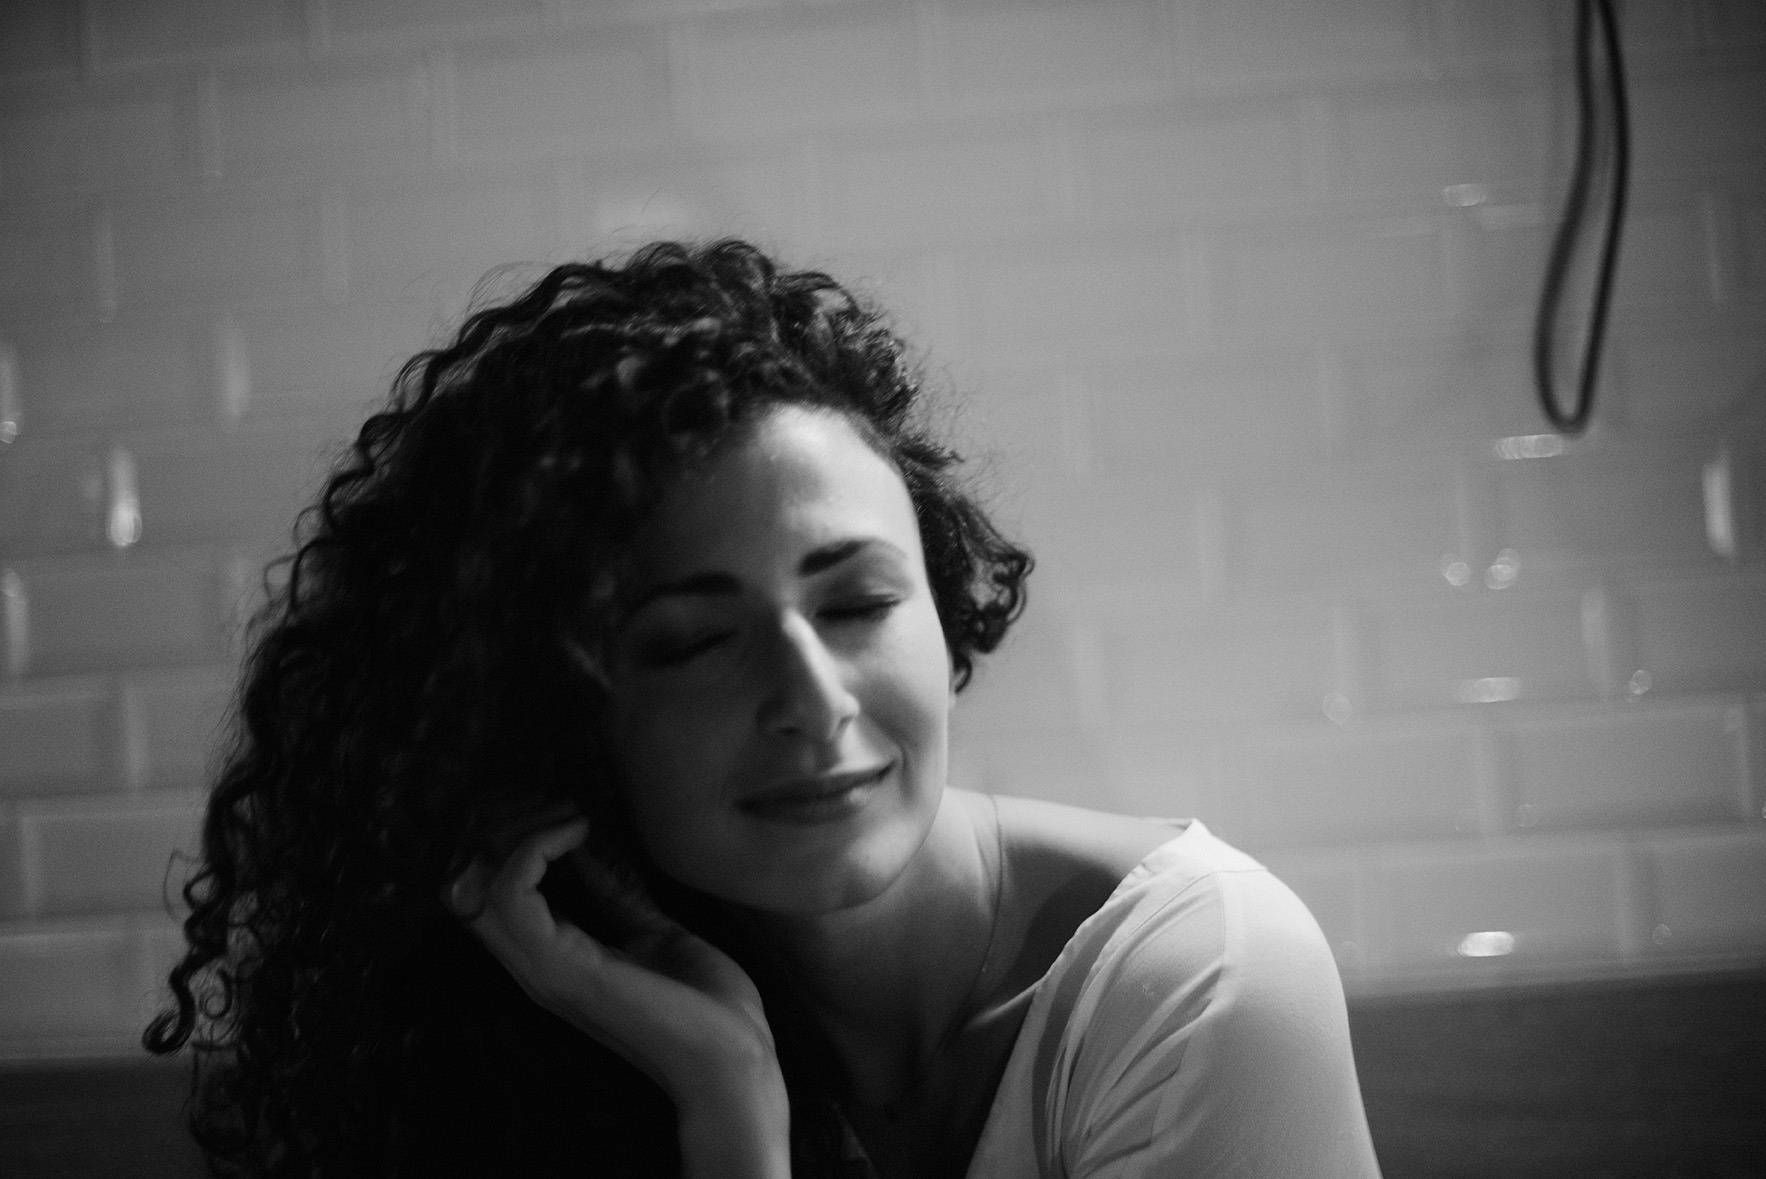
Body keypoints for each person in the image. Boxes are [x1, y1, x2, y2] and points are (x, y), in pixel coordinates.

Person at [146, 239, 1382, 1177]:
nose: (811, 699)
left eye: (856, 603)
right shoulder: (540, 1053)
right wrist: (727, 1098)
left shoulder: (1201, 982)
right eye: (695, 642)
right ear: (554, 711)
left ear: (941, 602)